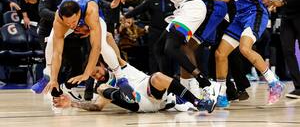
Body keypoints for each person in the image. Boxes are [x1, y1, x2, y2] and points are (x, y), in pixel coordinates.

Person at [112, 0, 220, 104]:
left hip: (190, 9)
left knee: (171, 48)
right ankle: (175, 91)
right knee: (160, 48)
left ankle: (205, 84)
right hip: (191, 7)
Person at [186, 0, 284, 107]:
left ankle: (274, 83)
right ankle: (222, 94)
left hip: (255, 13)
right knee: (220, 54)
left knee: (244, 48)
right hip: (239, 16)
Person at [43, 0, 138, 104]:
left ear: (78, 14)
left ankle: (121, 78)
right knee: (51, 41)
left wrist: (86, 74)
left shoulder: (91, 10)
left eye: (73, 22)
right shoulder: (59, 18)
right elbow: (57, 52)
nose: (72, 26)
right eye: (68, 23)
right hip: (72, 14)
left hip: (92, 15)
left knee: (102, 44)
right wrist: (54, 79)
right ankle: (48, 73)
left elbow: (96, 47)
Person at [53, 57, 216, 113]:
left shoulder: (120, 66)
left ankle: (198, 102)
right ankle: (130, 97)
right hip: (140, 104)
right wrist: (73, 104)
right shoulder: (101, 86)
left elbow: (109, 40)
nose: (97, 75)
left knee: (158, 76)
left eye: (97, 70)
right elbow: (97, 107)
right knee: (101, 89)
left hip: (153, 94)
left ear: (103, 64)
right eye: (93, 75)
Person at [269, 0, 300, 99]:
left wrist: (284, 2)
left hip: (299, 16)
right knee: (287, 51)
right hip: (286, 17)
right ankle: (298, 87)